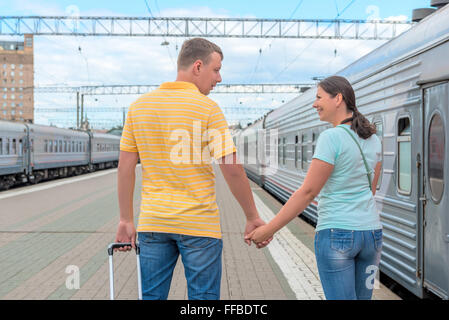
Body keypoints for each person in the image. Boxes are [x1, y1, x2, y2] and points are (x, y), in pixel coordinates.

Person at [115, 38, 269, 300]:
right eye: (216, 70)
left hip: (154, 223)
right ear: (198, 66)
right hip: (199, 226)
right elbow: (231, 167)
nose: (219, 78)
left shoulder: (138, 108)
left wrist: (126, 219)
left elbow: (125, 167)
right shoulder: (208, 109)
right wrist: (252, 215)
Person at [246, 75, 383, 300]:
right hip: (372, 236)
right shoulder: (373, 139)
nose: (314, 103)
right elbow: (372, 190)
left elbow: (308, 192)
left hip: (338, 235)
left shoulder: (331, 138)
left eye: (319, 97)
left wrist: (269, 229)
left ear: (338, 98)